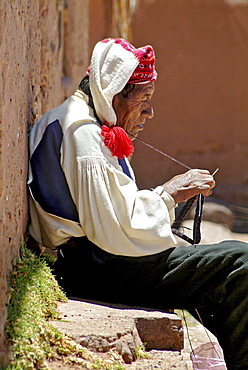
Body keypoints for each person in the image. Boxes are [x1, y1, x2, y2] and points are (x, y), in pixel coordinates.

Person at [27, 38, 248, 370]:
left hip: (95, 258)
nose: (150, 111)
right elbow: (115, 231)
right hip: (95, 265)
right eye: (143, 99)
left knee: (219, 269)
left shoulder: (75, 118)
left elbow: (113, 213)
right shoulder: (83, 134)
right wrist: (169, 193)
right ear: (115, 94)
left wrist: (167, 200)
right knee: (240, 263)